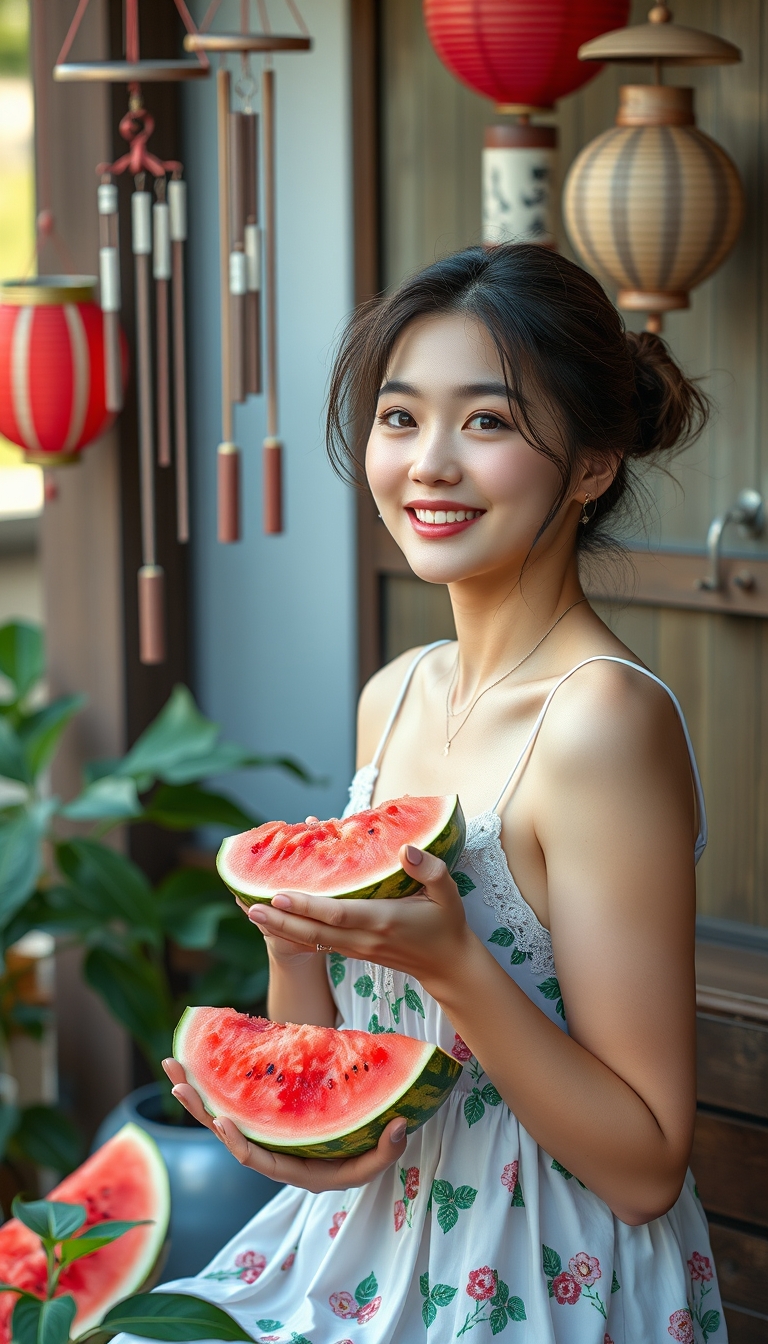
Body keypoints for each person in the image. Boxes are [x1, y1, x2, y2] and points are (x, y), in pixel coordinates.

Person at [162, 244, 725, 1343]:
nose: (427, 464)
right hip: (365, 1248)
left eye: (488, 423)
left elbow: (647, 1163)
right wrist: (292, 954)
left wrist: (454, 962)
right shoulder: (396, 696)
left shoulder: (602, 721)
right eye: (398, 417)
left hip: (544, 1270)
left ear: (593, 464)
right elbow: (347, 1083)